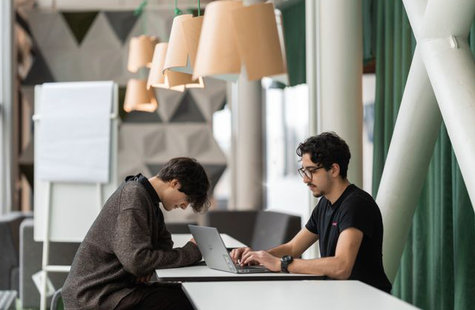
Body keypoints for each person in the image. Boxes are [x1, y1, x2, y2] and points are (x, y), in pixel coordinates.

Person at [231, 132, 392, 292]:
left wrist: (282, 264)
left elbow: (342, 266)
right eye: (304, 171)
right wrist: (259, 257)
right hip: (341, 297)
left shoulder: (356, 204)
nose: (305, 179)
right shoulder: (325, 203)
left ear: (334, 170)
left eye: (312, 171)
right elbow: (293, 248)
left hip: (365, 301)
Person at [62, 157, 210, 310]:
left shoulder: (150, 202)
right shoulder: (133, 197)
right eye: (187, 199)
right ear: (175, 183)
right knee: (183, 300)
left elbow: (163, 246)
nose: (184, 206)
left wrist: (147, 265)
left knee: (183, 295)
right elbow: (137, 262)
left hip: (114, 291)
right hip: (94, 297)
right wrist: (191, 251)